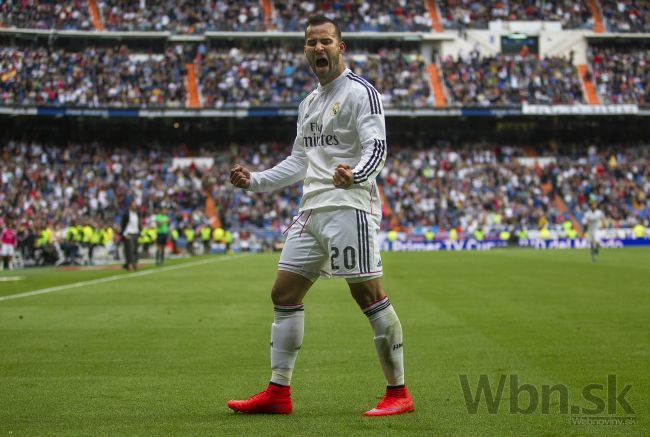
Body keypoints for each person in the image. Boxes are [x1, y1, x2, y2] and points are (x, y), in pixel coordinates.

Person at [227, 16, 413, 417]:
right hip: (311, 210)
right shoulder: (308, 103)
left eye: (325, 41)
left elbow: (376, 147)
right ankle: (279, 392)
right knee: (284, 294)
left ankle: (398, 392)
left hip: (349, 207)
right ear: (305, 50)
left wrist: (355, 175)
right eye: (311, 42)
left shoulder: (363, 93)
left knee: (368, 296)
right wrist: (255, 180)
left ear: (340, 47)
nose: (318, 48)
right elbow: (299, 161)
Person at [120, 200, 141, 271]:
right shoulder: (127, 214)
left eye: (135, 205)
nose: (135, 206)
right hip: (129, 234)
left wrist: (139, 231)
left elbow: (138, 224)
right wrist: (124, 234)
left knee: (135, 250)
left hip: (136, 233)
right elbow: (123, 225)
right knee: (129, 251)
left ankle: (135, 264)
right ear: (130, 206)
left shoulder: (137, 214)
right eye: (133, 205)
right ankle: (129, 264)